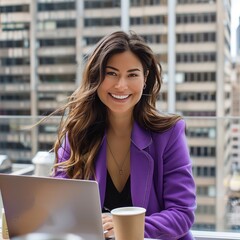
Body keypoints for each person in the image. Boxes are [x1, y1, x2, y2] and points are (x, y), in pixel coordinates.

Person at [52, 30, 196, 240]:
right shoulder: (77, 132)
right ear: (96, 77)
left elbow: (182, 214)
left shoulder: (170, 133)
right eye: (111, 73)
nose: (121, 85)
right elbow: (57, 204)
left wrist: (126, 226)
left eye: (132, 74)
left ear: (145, 78)